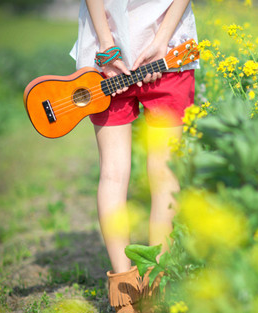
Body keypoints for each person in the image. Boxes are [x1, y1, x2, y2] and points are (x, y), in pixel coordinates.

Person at [70, 1, 198, 312]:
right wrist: (159, 41)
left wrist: (106, 43)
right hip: (167, 47)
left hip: (110, 55)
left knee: (113, 173)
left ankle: (124, 294)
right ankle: (155, 285)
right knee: (165, 173)